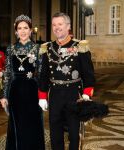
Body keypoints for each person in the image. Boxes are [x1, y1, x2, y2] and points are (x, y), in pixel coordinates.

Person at [38, 12, 95, 150]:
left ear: (68, 26)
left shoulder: (79, 46)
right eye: (54, 25)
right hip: (55, 95)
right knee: (55, 133)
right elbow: (44, 75)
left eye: (60, 24)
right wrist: (42, 96)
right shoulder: (47, 48)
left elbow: (89, 74)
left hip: (74, 95)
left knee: (74, 134)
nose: (57, 27)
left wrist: (87, 93)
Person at [0, 14, 45, 150]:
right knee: (17, 125)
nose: (23, 31)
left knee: (33, 125)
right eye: (20, 28)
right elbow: (7, 73)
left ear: (31, 30)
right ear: (16, 31)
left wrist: (43, 95)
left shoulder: (38, 49)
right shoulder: (10, 49)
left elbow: (42, 74)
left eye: (26, 28)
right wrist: (4, 95)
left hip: (33, 91)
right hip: (15, 92)